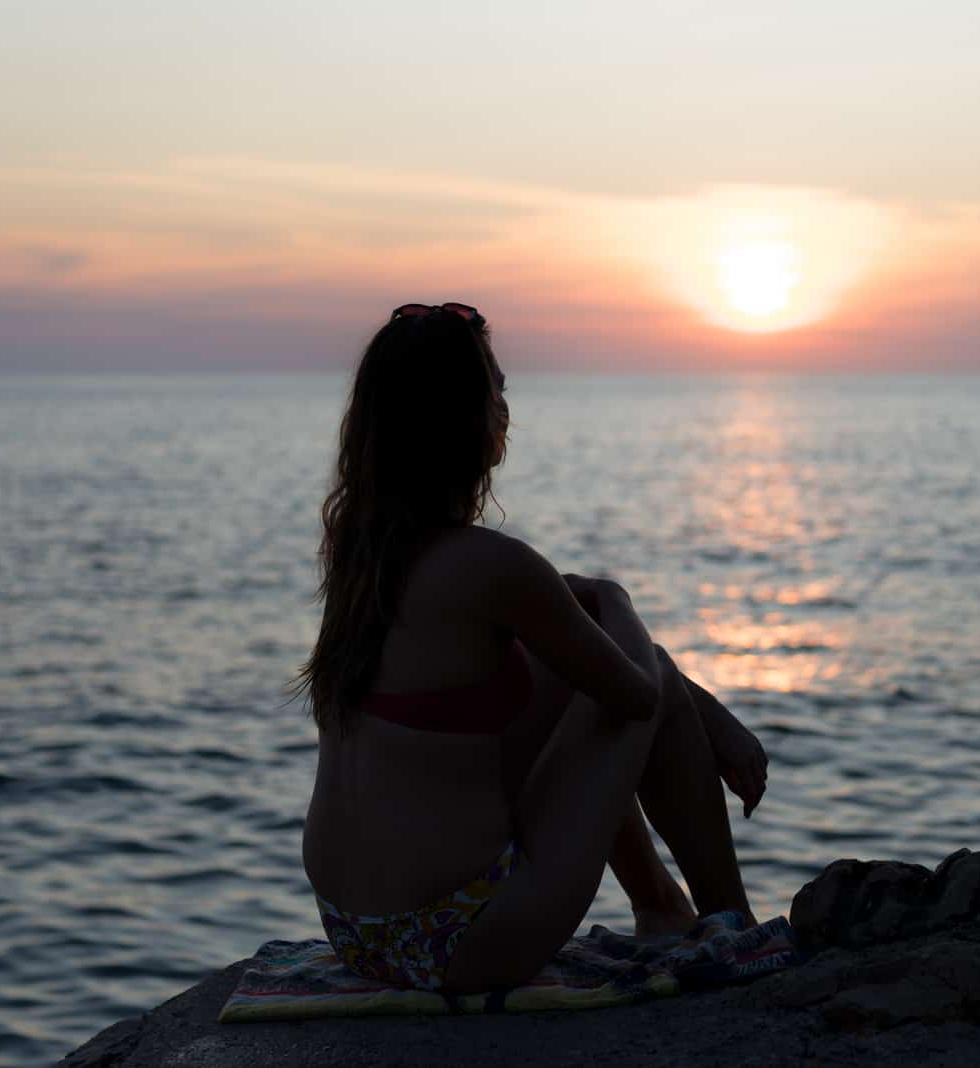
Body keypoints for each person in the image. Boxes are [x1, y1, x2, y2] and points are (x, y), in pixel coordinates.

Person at [295, 302, 769, 995]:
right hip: (456, 939)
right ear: (474, 420)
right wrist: (612, 595)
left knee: (565, 679)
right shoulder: (492, 567)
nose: (507, 408)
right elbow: (637, 693)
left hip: (356, 931)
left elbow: (572, 660)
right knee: (646, 677)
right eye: (499, 390)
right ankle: (733, 923)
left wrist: (706, 709)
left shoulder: (364, 556)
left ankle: (663, 907)